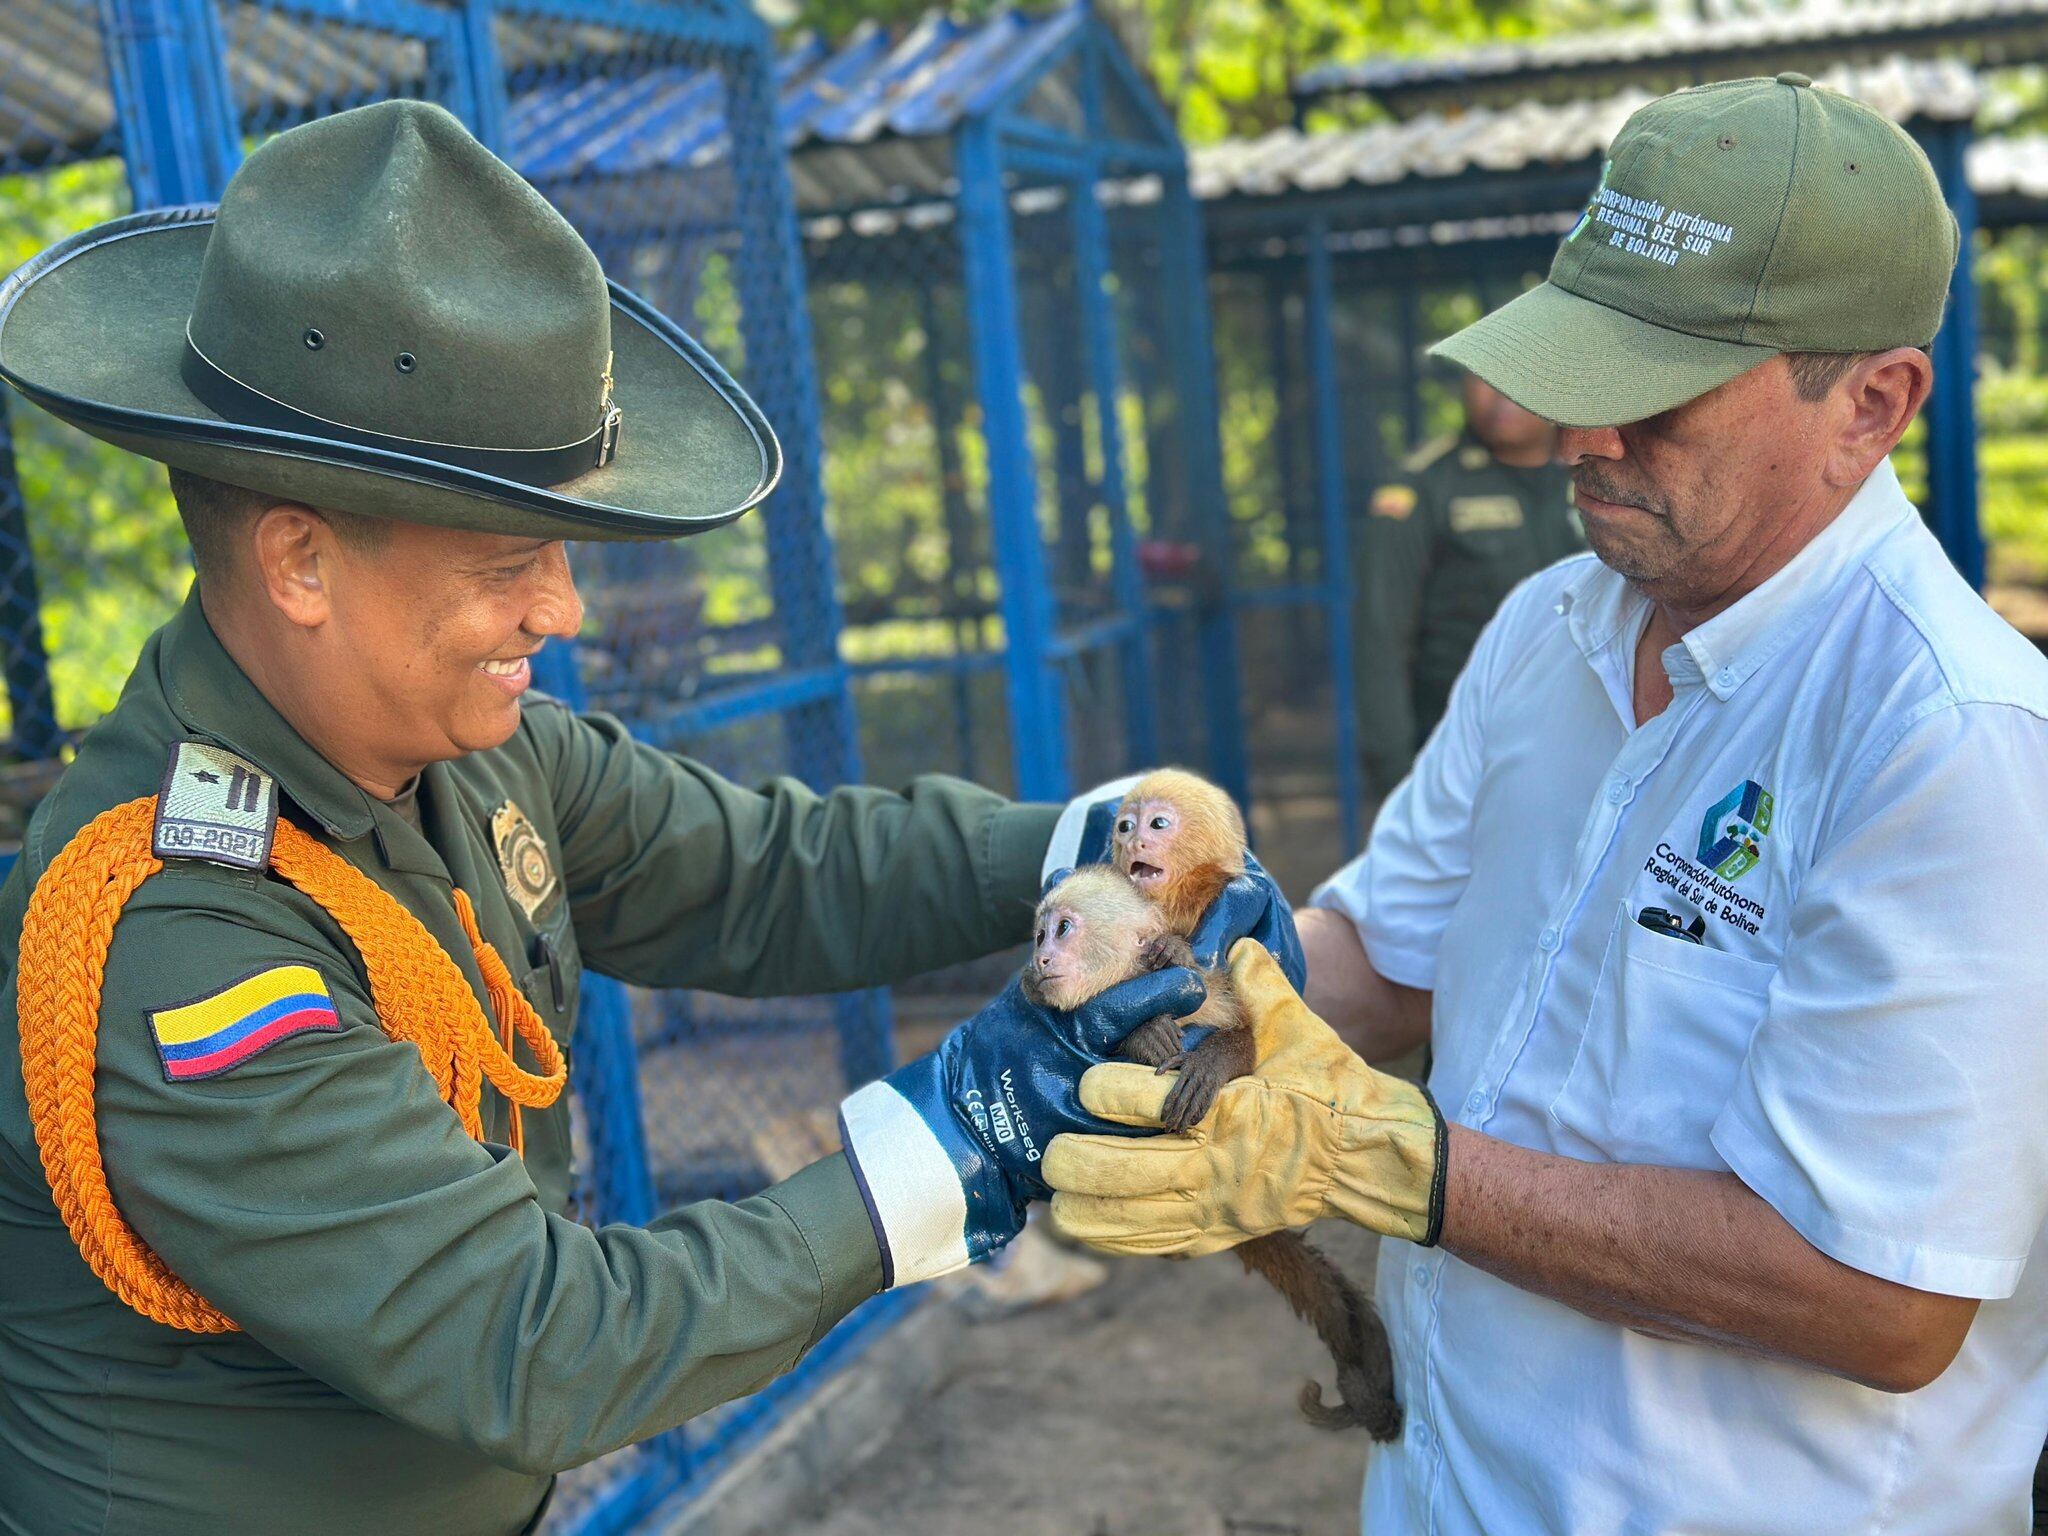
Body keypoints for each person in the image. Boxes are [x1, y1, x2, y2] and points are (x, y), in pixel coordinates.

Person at [0, 102, 1296, 1535]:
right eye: (509, 559)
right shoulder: (172, 933)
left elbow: (769, 873)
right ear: (301, 562)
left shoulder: (469, 760)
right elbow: (535, 1341)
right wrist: (967, 1133)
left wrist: (1116, 852)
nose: (560, 608)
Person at [1046, 73, 2048, 1535]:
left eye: (1656, 396)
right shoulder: (1550, 626)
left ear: (1871, 405)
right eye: (1575, 371)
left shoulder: (1947, 744)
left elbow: (1879, 1297)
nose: (1583, 436)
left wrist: (1400, 1166)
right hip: (1447, 1480)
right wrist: (1167, 999)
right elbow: (1387, 952)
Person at [1354, 372, 1581, 793]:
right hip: (1467, 756)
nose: (1500, 393)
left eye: (1517, 370)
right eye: (1484, 374)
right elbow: (1381, 637)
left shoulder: (1597, 470)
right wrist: (1394, 778)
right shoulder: (1426, 485)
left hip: (1587, 740)